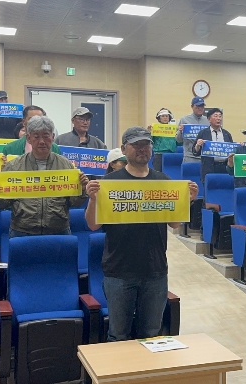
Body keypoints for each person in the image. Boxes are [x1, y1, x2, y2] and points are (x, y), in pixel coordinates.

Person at [85, 126, 198, 341]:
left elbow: (174, 223)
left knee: (151, 335)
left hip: (155, 270)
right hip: (119, 271)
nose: (142, 149)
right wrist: (92, 200)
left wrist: (187, 201)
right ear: (123, 149)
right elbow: (92, 225)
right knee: (118, 335)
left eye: (146, 144)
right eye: (136, 145)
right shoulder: (108, 183)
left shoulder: (163, 181)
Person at [0, 116, 88, 237]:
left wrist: (82, 189)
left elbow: (75, 203)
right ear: (28, 138)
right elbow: (1, 204)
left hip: (59, 230)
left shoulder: (66, 165)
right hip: (21, 231)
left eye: (46, 136)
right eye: (36, 136)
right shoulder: (14, 166)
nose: (41, 141)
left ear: (53, 137)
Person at [192, 108, 233, 183]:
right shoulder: (203, 133)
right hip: (209, 168)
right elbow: (195, 152)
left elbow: (231, 150)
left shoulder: (227, 134)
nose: (218, 118)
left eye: (220, 116)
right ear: (209, 119)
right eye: (215, 116)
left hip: (224, 167)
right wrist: (198, 145)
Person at [176, 97, 209, 163]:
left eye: (202, 106)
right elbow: (178, 140)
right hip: (189, 156)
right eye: (197, 106)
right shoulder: (184, 120)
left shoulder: (208, 121)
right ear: (192, 106)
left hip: (205, 156)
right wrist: (180, 132)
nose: (200, 108)